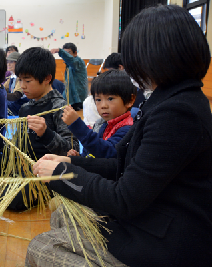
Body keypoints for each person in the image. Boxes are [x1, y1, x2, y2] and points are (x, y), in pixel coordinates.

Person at [29, 5, 212, 266]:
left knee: (43, 247)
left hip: (165, 239)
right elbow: (124, 163)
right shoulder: (170, 100)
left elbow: (125, 198)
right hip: (152, 218)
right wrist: (72, 163)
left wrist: (61, 174)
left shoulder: (178, 112)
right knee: (64, 217)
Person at [0, 47, 80, 210]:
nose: (22, 86)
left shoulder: (60, 108)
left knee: (18, 198)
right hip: (18, 168)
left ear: (47, 78)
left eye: (27, 81)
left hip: (41, 176)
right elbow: (17, 148)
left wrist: (46, 134)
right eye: (20, 80)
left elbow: (72, 151)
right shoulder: (26, 108)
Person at [63, 69, 136, 158]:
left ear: (129, 100)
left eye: (110, 99)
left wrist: (77, 125)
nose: (103, 106)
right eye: (98, 100)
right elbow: (92, 153)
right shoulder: (101, 124)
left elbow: (107, 151)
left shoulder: (127, 129)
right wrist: (80, 158)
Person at [51, 43, 87, 111]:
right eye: (65, 53)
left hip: (77, 97)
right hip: (70, 93)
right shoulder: (69, 65)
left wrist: (60, 51)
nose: (66, 55)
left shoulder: (78, 62)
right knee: (53, 81)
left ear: (75, 53)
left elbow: (71, 59)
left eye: (68, 53)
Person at [4, 51, 29, 115]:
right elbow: (2, 88)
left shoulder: (21, 77)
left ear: (18, 64)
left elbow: (16, 96)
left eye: (11, 62)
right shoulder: (11, 77)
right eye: (8, 62)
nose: (8, 64)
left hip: (21, 106)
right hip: (13, 104)